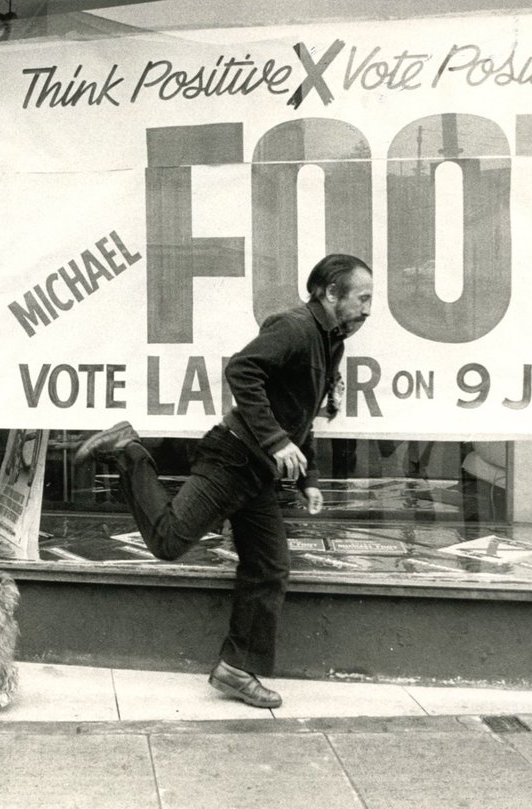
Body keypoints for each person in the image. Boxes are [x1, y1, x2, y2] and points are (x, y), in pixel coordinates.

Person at [75, 253, 374, 709]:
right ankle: (129, 450)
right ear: (329, 293)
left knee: (269, 568)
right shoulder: (294, 327)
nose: (368, 309)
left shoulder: (331, 342)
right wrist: (275, 442)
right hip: (234, 457)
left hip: (259, 472)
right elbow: (242, 370)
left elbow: (299, 416)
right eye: (363, 298)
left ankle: (236, 669)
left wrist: (307, 477)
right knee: (169, 539)